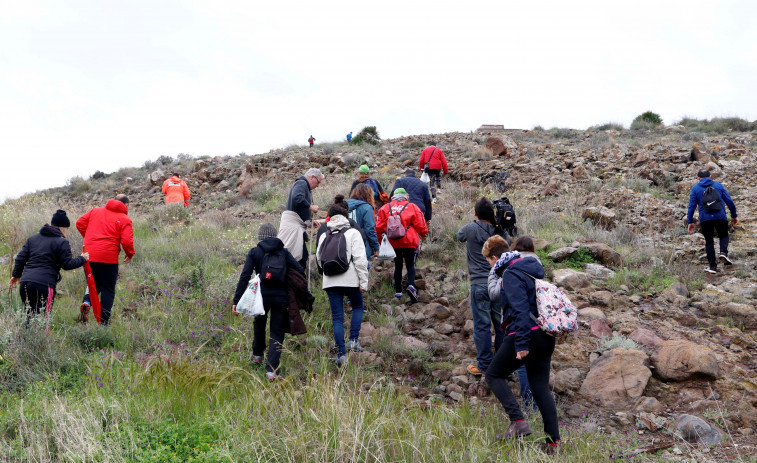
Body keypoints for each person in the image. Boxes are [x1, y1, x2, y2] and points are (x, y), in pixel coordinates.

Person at [483, 235, 560, 454]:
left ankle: (518, 421)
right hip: (545, 335)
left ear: (495, 258)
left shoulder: (510, 273)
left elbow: (519, 309)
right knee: (540, 389)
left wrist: (521, 344)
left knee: (493, 374)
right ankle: (552, 443)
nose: (490, 265)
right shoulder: (530, 268)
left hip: (525, 334)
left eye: (489, 261)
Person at [232, 223, 305, 381]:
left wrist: (236, 300)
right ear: (275, 235)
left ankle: (258, 355)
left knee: (259, 322)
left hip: (260, 297)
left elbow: (244, 276)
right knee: (276, 332)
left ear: (260, 237)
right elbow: (299, 270)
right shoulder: (284, 252)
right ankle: (271, 371)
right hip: (281, 297)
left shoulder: (255, 252)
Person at [9, 210, 89, 324]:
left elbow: (20, 258)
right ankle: (41, 340)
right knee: (43, 319)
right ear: (63, 227)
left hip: (26, 283)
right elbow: (67, 264)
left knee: (29, 317)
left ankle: (27, 339)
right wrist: (82, 258)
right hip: (45, 285)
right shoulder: (62, 242)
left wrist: (15, 275)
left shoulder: (33, 239)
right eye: (67, 228)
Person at [316, 197, 370, 366]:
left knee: (337, 318)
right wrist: (364, 282)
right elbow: (360, 259)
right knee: (358, 306)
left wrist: (326, 274)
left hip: (330, 280)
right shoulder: (352, 232)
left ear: (330, 218)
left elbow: (318, 259)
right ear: (346, 217)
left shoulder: (325, 234)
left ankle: (341, 354)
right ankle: (353, 340)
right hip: (350, 278)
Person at [457, 198, 505, 377]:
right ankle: (502, 365)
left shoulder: (471, 228)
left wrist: (475, 222)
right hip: (499, 284)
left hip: (479, 284)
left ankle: (485, 365)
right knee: (501, 325)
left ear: (476, 213)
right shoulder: (498, 231)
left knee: (482, 326)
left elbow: (459, 235)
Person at [77, 194, 135, 325]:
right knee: (108, 290)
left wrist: (89, 240)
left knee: (93, 284)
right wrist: (129, 253)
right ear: (125, 205)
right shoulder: (125, 219)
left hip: (88, 256)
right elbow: (127, 241)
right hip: (109, 259)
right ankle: (103, 323)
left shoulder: (95, 211)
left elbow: (79, 223)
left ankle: (86, 303)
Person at [375, 188, 428, 303]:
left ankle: (398, 291)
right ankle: (411, 286)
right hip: (409, 240)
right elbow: (420, 225)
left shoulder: (385, 208)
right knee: (410, 264)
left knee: (398, 265)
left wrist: (381, 242)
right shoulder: (412, 207)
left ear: (393, 196)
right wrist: (424, 234)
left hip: (393, 242)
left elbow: (378, 228)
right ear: (405, 196)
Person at [687, 169, 738, 274]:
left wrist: (690, 221)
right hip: (720, 216)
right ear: (710, 176)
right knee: (723, 235)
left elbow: (691, 206)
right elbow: (729, 201)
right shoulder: (718, 186)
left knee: (709, 241)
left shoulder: (695, 189)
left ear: (698, 178)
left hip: (705, 219)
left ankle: (713, 267)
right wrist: (734, 216)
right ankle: (723, 252)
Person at [279, 168, 324, 269]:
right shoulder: (301, 183)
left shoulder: (304, 186)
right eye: (318, 182)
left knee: (301, 257)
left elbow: (299, 209)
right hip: (292, 228)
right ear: (312, 177)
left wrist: (310, 221)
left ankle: (297, 281)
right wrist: (311, 207)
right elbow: (297, 198)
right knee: (295, 258)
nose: (318, 185)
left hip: (295, 227)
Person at [347, 184, 380, 266]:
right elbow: (370, 229)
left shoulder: (343, 205)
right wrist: (376, 247)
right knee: (363, 268)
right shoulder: (366, 207)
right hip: (361, 243)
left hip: (343, 242)